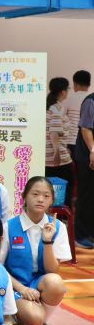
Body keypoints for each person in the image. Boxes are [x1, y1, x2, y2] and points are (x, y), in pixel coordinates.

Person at [1, 177, 70, 325]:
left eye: (46, 196)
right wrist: (22, 289)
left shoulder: (59, 227)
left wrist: (47, 241)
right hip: (15, 285)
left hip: (40, 284)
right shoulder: (9, 227)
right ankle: (20, 316)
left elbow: (52, 270)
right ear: (24, 196)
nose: (40, 199)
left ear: (52, 200)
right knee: (34, 318)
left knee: (56, 282)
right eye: (35, 194)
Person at [45, 77, 74, 207]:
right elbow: (54, 132)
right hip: (58, 157)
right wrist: (57, 153)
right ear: (63, 91)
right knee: (66, 187)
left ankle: (54, 212)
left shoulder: (49, 106)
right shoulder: (57, 108)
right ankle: (62, 214)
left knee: (51, 188)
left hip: (48, 156)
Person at [74, 77, 94, 249]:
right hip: (88, 158)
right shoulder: (90, 101)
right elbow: (86, 128)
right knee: (86, 196)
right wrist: (93, 150)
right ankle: (80, 236)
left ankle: (91, 233)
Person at [63, 69, 91, 156]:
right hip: (87, 140)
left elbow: (62, 119)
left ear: (75, 84)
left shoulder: (68, 99)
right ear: (89, 84)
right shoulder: (91, 99)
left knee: (73, 164)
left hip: (71, 141)